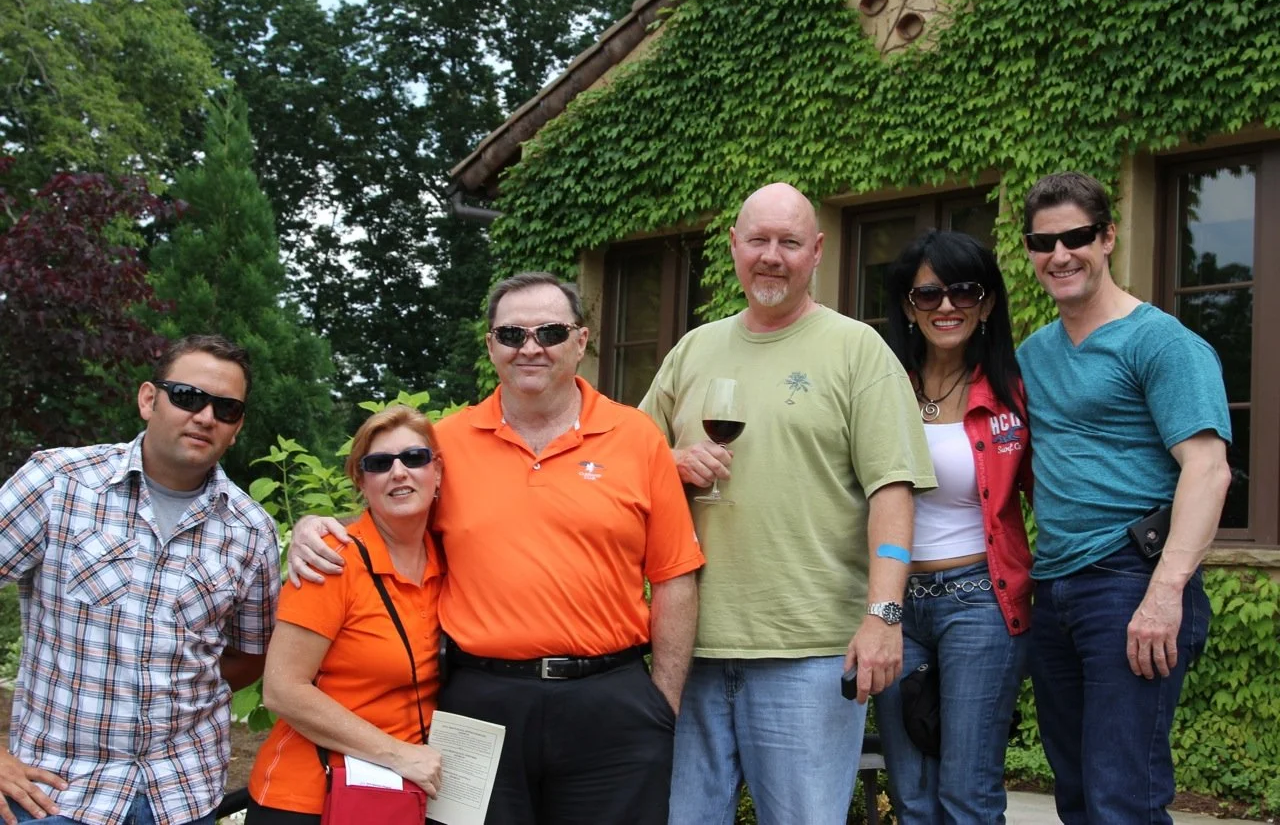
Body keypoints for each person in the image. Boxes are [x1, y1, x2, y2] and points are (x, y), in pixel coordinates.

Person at [287, 272, 704, 825]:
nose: (530, 348)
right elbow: (390, 517)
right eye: (512, 335)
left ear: (580, 343)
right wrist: (317, 525)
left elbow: (675, 574)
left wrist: (662, 704)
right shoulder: (447, 445)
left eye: (550, 332)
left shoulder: (636, 437)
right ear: (491, 347)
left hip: (613, 703)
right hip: (479, 703)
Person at [638, 182, 937, 825]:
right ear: (734, 246)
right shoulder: (693, 350)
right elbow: (628, 469)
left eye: (789, 242)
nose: (771, 256)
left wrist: (884, 615)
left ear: (817, 250)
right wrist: (669, 465)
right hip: (687, 647)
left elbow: (893, 491)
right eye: (758, 240)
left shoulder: (859, 351)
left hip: (809, 651)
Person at [1018, 171, 1231, 823]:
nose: (1060, 255)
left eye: (1077, 237)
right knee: (1080, 797)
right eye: (1043, 242)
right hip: (1052, 587)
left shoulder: (1160, 342)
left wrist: (1164, 593)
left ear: (1108, 237)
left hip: (1129, 581)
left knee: (1123, 799)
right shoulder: (1031, 354)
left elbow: (1209, 469)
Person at [0, 335, 279, 825]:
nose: (206, 416)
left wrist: (180, 691)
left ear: (236, 427)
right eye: (188, 397)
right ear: (149, 399)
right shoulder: (58, 484)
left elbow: (252, 653)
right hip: (56, 795)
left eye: (227, 408)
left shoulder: (250, 530)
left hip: (182, 794)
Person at [871, 230, 1033, 823]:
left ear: (986, 303)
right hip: (894, 606)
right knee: (912, 794)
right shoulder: (880, 389)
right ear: (909, 309)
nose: (946, 306)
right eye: (928, 294)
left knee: (967, 794)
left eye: (963, 291)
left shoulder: (1015, 391)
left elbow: (1054, 489)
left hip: (980, 604)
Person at [245, 406, 445, 824]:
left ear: (437, 472)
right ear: (360, 480)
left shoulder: (448, 558)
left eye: (414, 458)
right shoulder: (330, 561)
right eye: (379, 464)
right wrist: (398, 754)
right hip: (311, 799)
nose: (399, 472)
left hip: (395, 795)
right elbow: (282, 689)